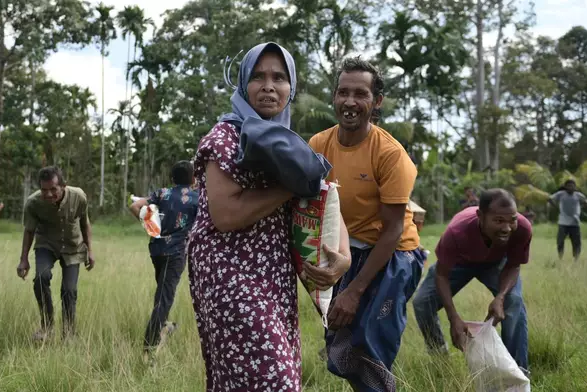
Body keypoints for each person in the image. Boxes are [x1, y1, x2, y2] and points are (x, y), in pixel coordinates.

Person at [188, 42, 351, 392]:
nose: (268, 85)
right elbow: (226, 215)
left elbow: (323, 196)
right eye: (258, 76)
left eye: (279, 77)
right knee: (271, 377)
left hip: (272, 274)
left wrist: (344, 258)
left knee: (269, 373)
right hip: (227, 273)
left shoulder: (288, 143)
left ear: (291, 88)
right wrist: (290, 187)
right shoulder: (225, 137)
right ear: (243, 83)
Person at [309, 56, 423, 392]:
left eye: (360, 94)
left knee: (371, 349)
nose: (350, 102)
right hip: (348, 250)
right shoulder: (319, 145)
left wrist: (355, 291)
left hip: (394, 254)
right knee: (342, 348)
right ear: (334, 96)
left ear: (376, 102)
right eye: (343, 92)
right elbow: (310, 209)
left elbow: (392, 231)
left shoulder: (390, 154)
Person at [412, 189, 531, 374]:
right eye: (499, 221)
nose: (507, 228)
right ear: (480, 216)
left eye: (512, 220)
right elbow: (442, 274)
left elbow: (514, 266)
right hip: (460, 263)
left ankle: (518, 371)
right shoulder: (457, 231)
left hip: (496, 263)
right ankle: (440, 358)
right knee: (422, 302)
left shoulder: (522, 229)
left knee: (513, 302)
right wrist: (453, 318)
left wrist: (500, 297)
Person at [130, 161, 199, 363]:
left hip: (157, 250)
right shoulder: (197, 199)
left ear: (172, 178)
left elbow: (135, 206)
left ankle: (164, 326)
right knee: (164, 298)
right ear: (194, 178)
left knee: (162, 293)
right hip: (176, 254)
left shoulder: (162, 193)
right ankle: (148, 350)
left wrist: (149, 225)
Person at [16, 166, 94, 341]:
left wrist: (90, 250)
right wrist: (23, 260)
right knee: (41, 278)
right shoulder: (33, 203)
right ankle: (47, 326)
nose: (49, 194)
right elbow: (29, 231)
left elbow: (85, 223)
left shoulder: (78, 197)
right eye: (44, 190)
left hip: (72, 246)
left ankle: (69, 333)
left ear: (63, 186)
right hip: (46, 244)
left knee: (69, 290)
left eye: (53, 189)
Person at [549, 179, 587, 262]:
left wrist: (580, 208)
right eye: (569, 186)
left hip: (575, 222)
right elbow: (550, 199)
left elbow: (586, 202)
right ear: (565, 187)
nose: (570, 187)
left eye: (572, 186)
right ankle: (560, 257)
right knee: (560, 241)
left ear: (575, 187)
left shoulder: (578, 195)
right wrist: (556, 206)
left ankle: (576, 259)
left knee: (576, 242)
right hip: (563, 222)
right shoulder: (561, 194)